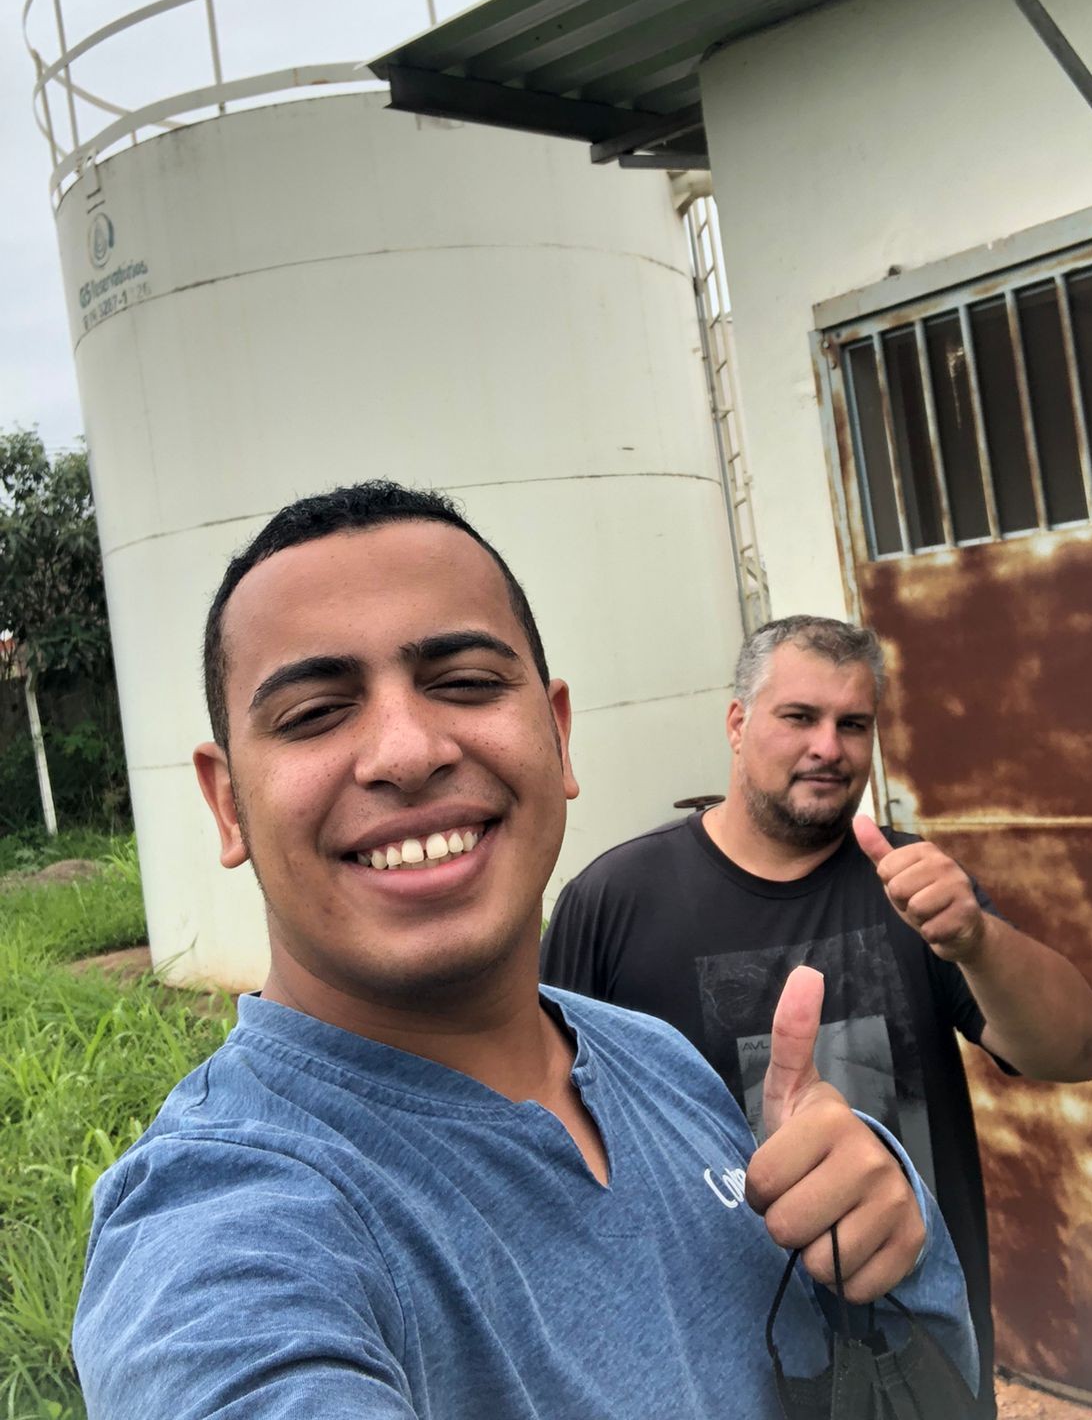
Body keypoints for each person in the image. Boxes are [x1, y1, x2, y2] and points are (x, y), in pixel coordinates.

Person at [73, 487, 976, 1420]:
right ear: (228, 805)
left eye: (465, 683)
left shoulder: (655, 1060)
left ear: (559, 734)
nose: (407, 753)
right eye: (314, 712)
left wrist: (881, 1231)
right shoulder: (223, 1220)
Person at [541, 613, 1092, 1419]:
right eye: (799, 717)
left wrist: (977, 941)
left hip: (917, 1359)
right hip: (713, 1371)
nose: (828, 747)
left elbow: (1076, 1052)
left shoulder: (914, 886)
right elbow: (551, 1141)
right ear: (737, 724)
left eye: (853, 724)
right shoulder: (616, 901)